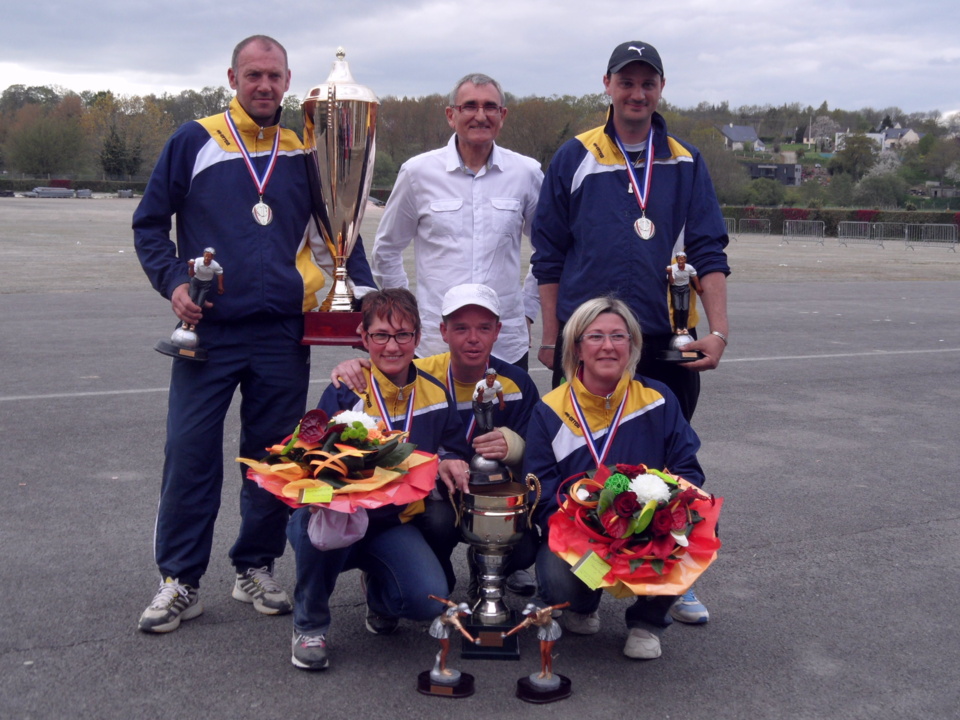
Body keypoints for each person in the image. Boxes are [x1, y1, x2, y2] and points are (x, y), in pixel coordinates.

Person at [133, 35, 374, 634]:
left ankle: (254, 565)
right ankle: (179, 579)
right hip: (209, 332)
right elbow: (149, 224)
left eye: (274, 76)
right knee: (189, 455)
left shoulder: (305, 149)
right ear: (233, 77)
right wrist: (173, 285)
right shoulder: (196, 139)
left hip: (282, 336)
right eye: (253, 75)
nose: (264, 86)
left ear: (289, 81)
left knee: (272, 460)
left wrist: (363, 308)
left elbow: (341, 232)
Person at [531, 40, 730, 422]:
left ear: (661, 87)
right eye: (626, 82)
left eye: (647, 84)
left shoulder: (686, 160)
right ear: (607, 83)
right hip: (588, 340)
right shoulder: (574, 157)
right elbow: (549, 257)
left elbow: (708, 251)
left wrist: (719, 333)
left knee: (660, 470)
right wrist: (552, 338)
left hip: (666, 343)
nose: (637, 94)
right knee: (580, 460)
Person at [287, 288, 472, 670]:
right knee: (313, 521)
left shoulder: (436, 393)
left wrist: (450, 460)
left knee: (426, 599)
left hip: (392, 523)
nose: (392, 346)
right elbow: (312, 459)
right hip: (342, 517)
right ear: (364, 337)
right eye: (381, 335)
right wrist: (326, 499)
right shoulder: (345, 390)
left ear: (418, 337)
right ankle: (310, 624)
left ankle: (380, 594)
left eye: (403, 335)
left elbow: (451, 444)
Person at [329, 283, 541, 598]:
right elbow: (382, 373)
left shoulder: (517, 383)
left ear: (497, 331)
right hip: (437, 497)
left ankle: (486, 571)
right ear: (442, 331)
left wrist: (516, 447)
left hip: (491, 498)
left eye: (484, 328)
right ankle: (408, 573)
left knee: (525, 548)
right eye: (460, 328)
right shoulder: (418, 374)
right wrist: (350, 366)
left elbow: (539, 456)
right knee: (439, 526)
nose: (473, 338)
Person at [524, 297, 706, 659]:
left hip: (647, 531)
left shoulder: (659, 399)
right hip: (582, 535)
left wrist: (651, 522)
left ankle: (647, 621)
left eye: (618, 336)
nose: (607, 346)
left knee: (700, 527)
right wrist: (591, 527)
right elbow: (540, 492)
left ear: (632, 345)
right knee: (558, 582)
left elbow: (687, 472)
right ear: (577, 347)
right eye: (595, 337)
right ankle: (583, 603)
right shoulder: (550, 410)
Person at [372, 73, 543, 369]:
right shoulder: (417, 173)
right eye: (469, 106)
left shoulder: (526, 174)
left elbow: (549, 251)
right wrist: (405, 314)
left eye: (490, 107)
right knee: (437, 417)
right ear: (451, 115)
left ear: (502, 115)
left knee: (506, 417)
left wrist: (527, 309)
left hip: (505, 345)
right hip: (436, 347)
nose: (480, 116)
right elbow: (386, 250)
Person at [184, 248, 223, 330]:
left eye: (209, 257)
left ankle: (193, 323)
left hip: (206, 284)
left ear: (212, 258)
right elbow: (191, 275)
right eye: (205, 256)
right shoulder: (197, 261)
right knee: (191, 300)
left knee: (199, 303)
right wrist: (191, 267)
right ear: (203, 255)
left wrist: (220, 286)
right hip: (195, 281)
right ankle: (185, 321)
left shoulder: (215, 265)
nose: (206, 259)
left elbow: (220, 273)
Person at [667, 252, 702, 334]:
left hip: (685, 288)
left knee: (685, 308)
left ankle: (685, 327)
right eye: (679, 259)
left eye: (682, 259)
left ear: (685, 260)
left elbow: (694, 277)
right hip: (675, 289)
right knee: (678, 308)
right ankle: (678, 327)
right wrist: (669, 273)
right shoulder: (673, 268)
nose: (680, 261)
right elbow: (671, 282)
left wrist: (698, 287)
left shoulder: (689, 268)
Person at [473, 368, 505, 433]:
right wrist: (480, 393)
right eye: (489, 378)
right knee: (482, 426)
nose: (491, 380)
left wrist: (502, 403)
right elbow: (479, 401)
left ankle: (489, 437)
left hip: (489, 403)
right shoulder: (480, 385)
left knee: (490, 427)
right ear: (486, 377)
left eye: (493, 378)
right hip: (478, 404)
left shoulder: (497, 384)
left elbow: (499, 392)